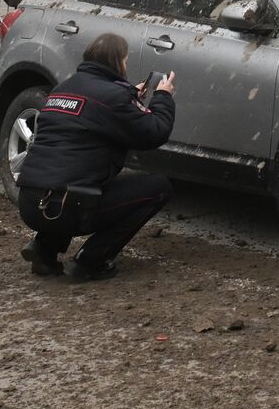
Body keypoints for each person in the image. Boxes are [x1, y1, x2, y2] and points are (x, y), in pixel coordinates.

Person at [14, 33, 176, 281]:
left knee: (71, 179)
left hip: (29, 203)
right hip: (67, 207)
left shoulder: (62, 89)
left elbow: (94, 109)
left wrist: (130, 97)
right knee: (159, 187)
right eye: (125, 59)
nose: (126, 65)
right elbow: (154, 133)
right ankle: (91, 261)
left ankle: (44, 249)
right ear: (117, 61)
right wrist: (163, 96)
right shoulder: (114, 98)